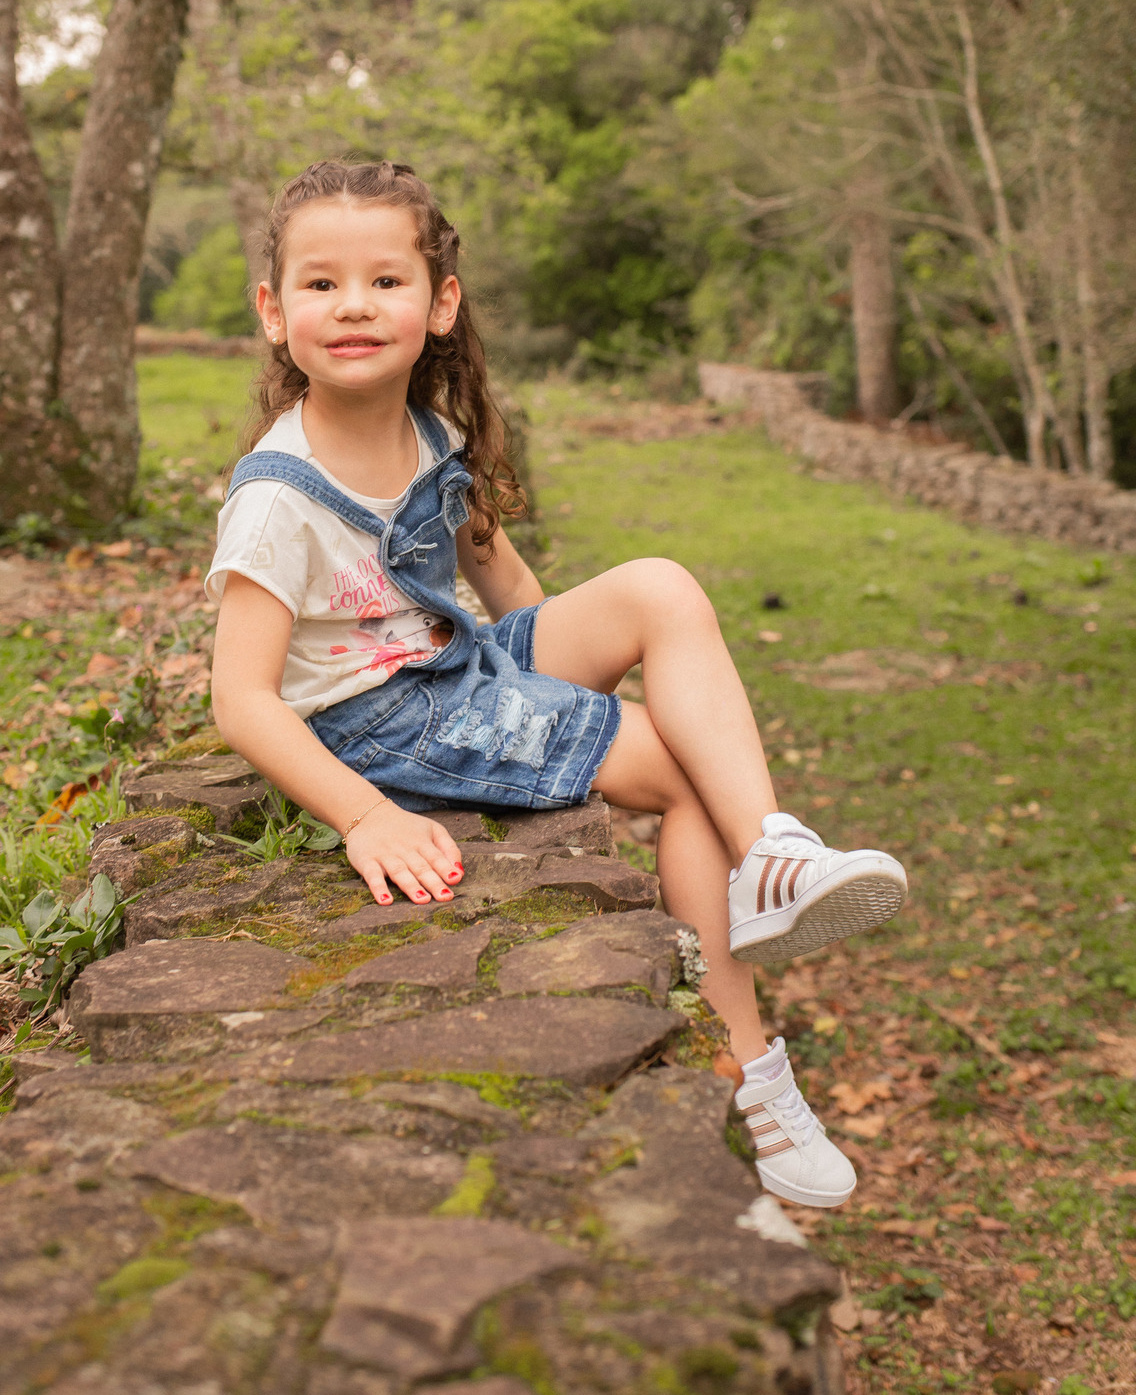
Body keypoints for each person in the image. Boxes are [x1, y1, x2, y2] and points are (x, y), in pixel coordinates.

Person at [208, 159, 909, 1209]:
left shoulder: (433, 435)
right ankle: (749, 1073)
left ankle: (772, 855)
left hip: (459, 667)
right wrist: (364, 820)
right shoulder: (278, 498)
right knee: (673, 771)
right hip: (380, 726)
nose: (353, 304)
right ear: (274, 311)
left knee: (660, 588)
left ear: (439, 304)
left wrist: (558, 662)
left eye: (385, 281)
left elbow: (509, 589)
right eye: (320, 284)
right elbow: (242, 700)